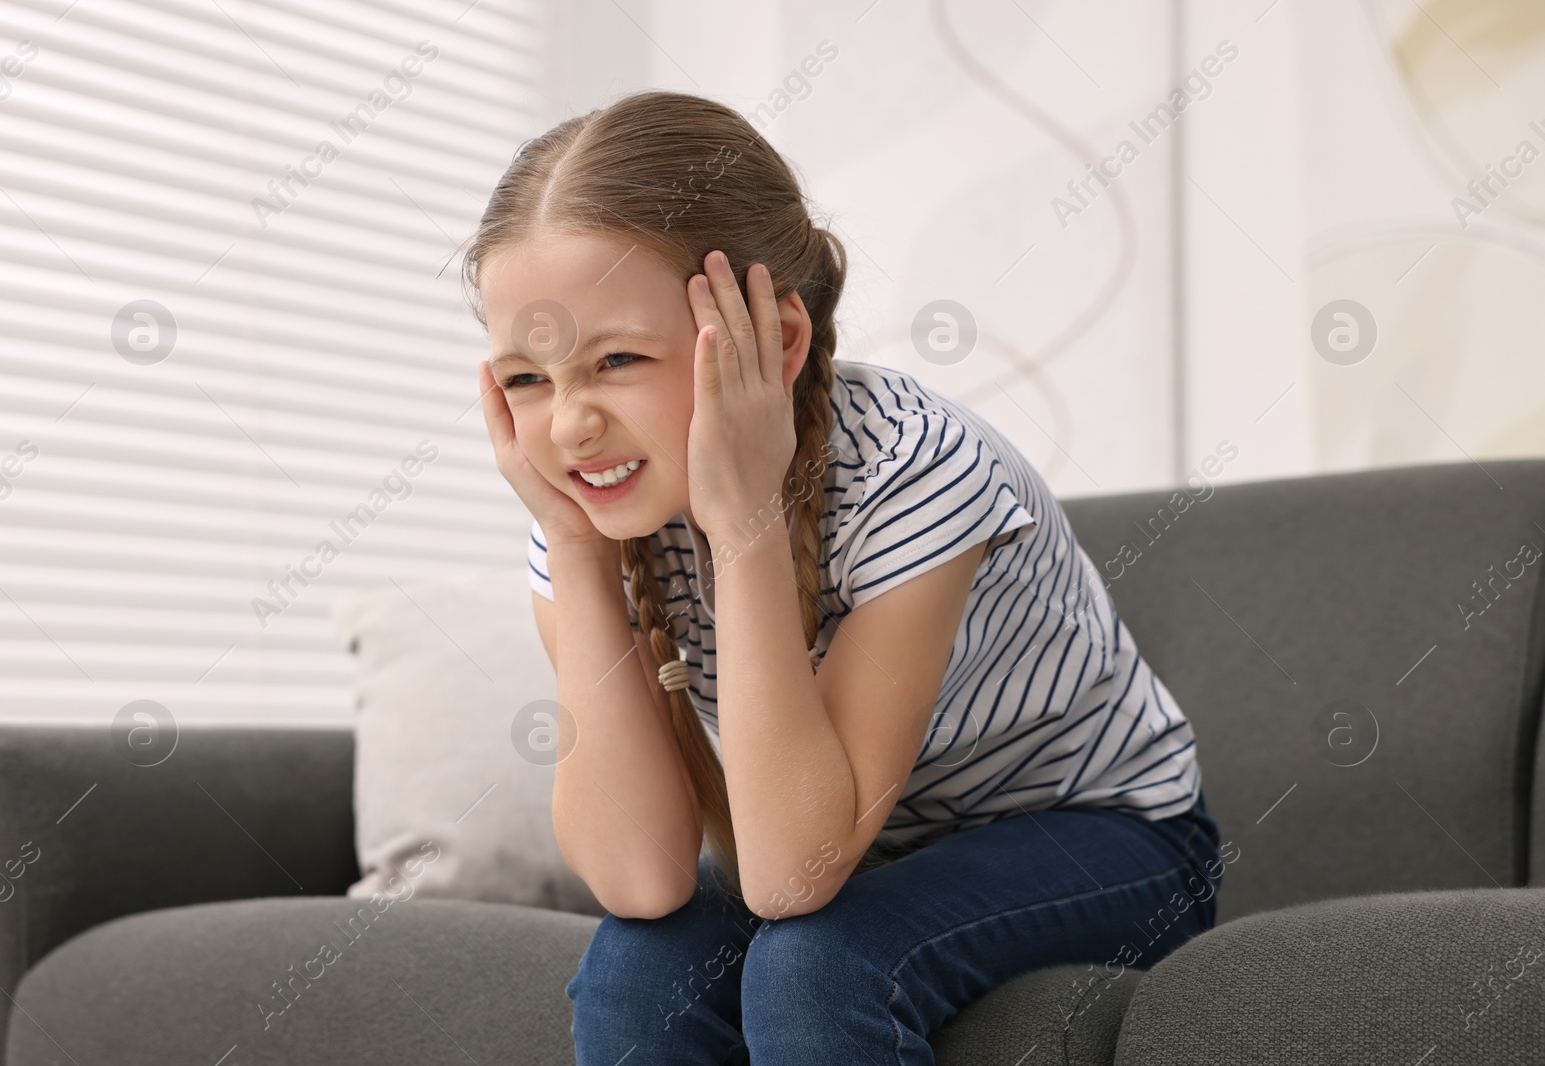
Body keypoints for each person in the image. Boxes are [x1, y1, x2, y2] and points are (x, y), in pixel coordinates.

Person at [465, 88, 1226, 1066]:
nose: (568, 425)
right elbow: (640, 877)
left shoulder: (911, 469)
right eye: (526, 379)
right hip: (855, 846)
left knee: (814, 964)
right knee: (635, 966)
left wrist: (742, 524)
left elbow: (790, 880)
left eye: (615, 359)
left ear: (775, 341)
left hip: (1106, 835)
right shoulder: (591, 521)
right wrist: (572, 551)